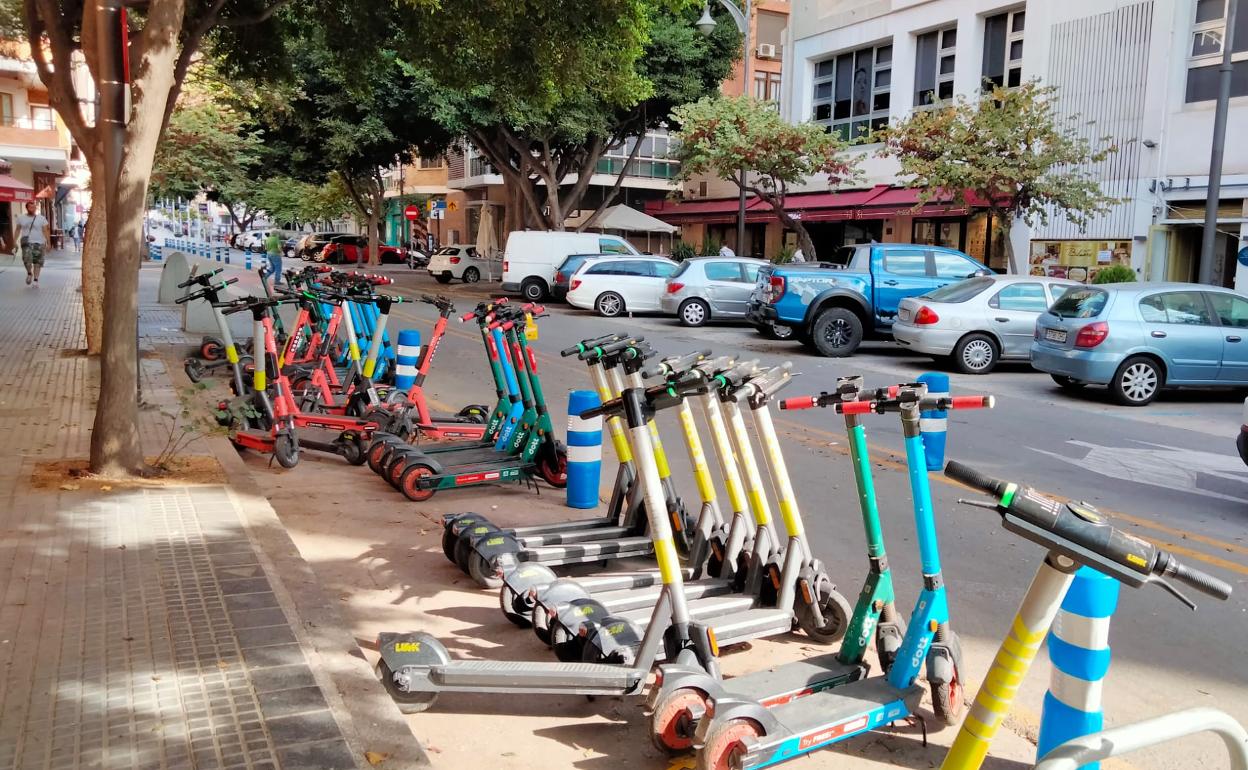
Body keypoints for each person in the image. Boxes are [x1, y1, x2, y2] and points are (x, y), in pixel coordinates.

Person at [16, 201, 51, 287]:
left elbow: (45, 231)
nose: (33, 209)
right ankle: (29, 273)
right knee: (26, 259)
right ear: (27, 208)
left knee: (37, 262)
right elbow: (17, 230)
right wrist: (14, 242)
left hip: (39, 243)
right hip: (26, 242)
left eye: (34, 207)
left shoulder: (41, 218)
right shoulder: (21, 218)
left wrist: (48, 243)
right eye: (31, 207)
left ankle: (35, 280)